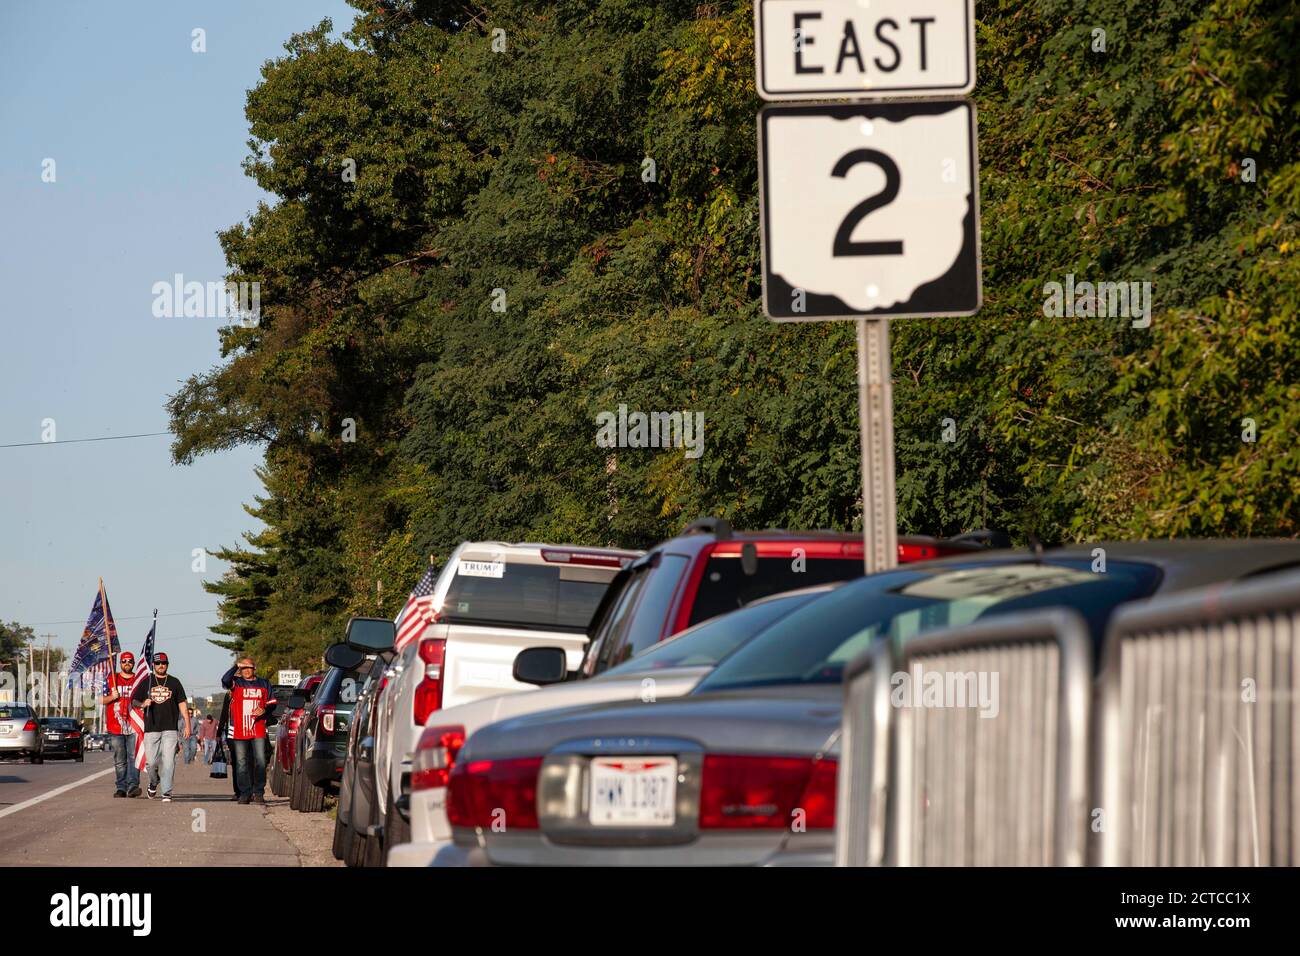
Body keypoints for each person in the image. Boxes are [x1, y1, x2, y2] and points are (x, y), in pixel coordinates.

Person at [131, 652, 190, 802]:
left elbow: (183, 705)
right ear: (153, 665)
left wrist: (187, 725)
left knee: (169, 761)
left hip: (170, 729)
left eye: (163, 663)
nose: (161, 666)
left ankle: (167, 791)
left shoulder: (175, 682)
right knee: (151, 763)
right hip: (151, 728)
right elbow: (134, 701)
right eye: (158, 663)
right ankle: (153, 781)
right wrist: (143, 704)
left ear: (167, 665)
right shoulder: (147, 681)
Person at [220, 657, 277, 805]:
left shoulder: (264, 683)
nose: (246, 670)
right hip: (239, 730)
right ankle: (244, 793)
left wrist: (264, 709)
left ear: (254, 668)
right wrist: (235, 666)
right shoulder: (236, 683)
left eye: (249, 667)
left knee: (260, 761)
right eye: (243, 668)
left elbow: (272, 703)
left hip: (257, 729)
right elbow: (225, 679)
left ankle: (258, 792)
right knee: (241, 763)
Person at [100, 651, 141, 798]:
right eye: (124, 661)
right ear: (120, 663)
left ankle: (133, 786)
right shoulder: (112, 679)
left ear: (134, 663)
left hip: (134, 725)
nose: (127, 663)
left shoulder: (139, 679)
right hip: (116, 726)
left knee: (133, 756)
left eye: (130, 661)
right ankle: (121, 787)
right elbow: (101, 700)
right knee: (120, 759)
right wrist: (113, 696)